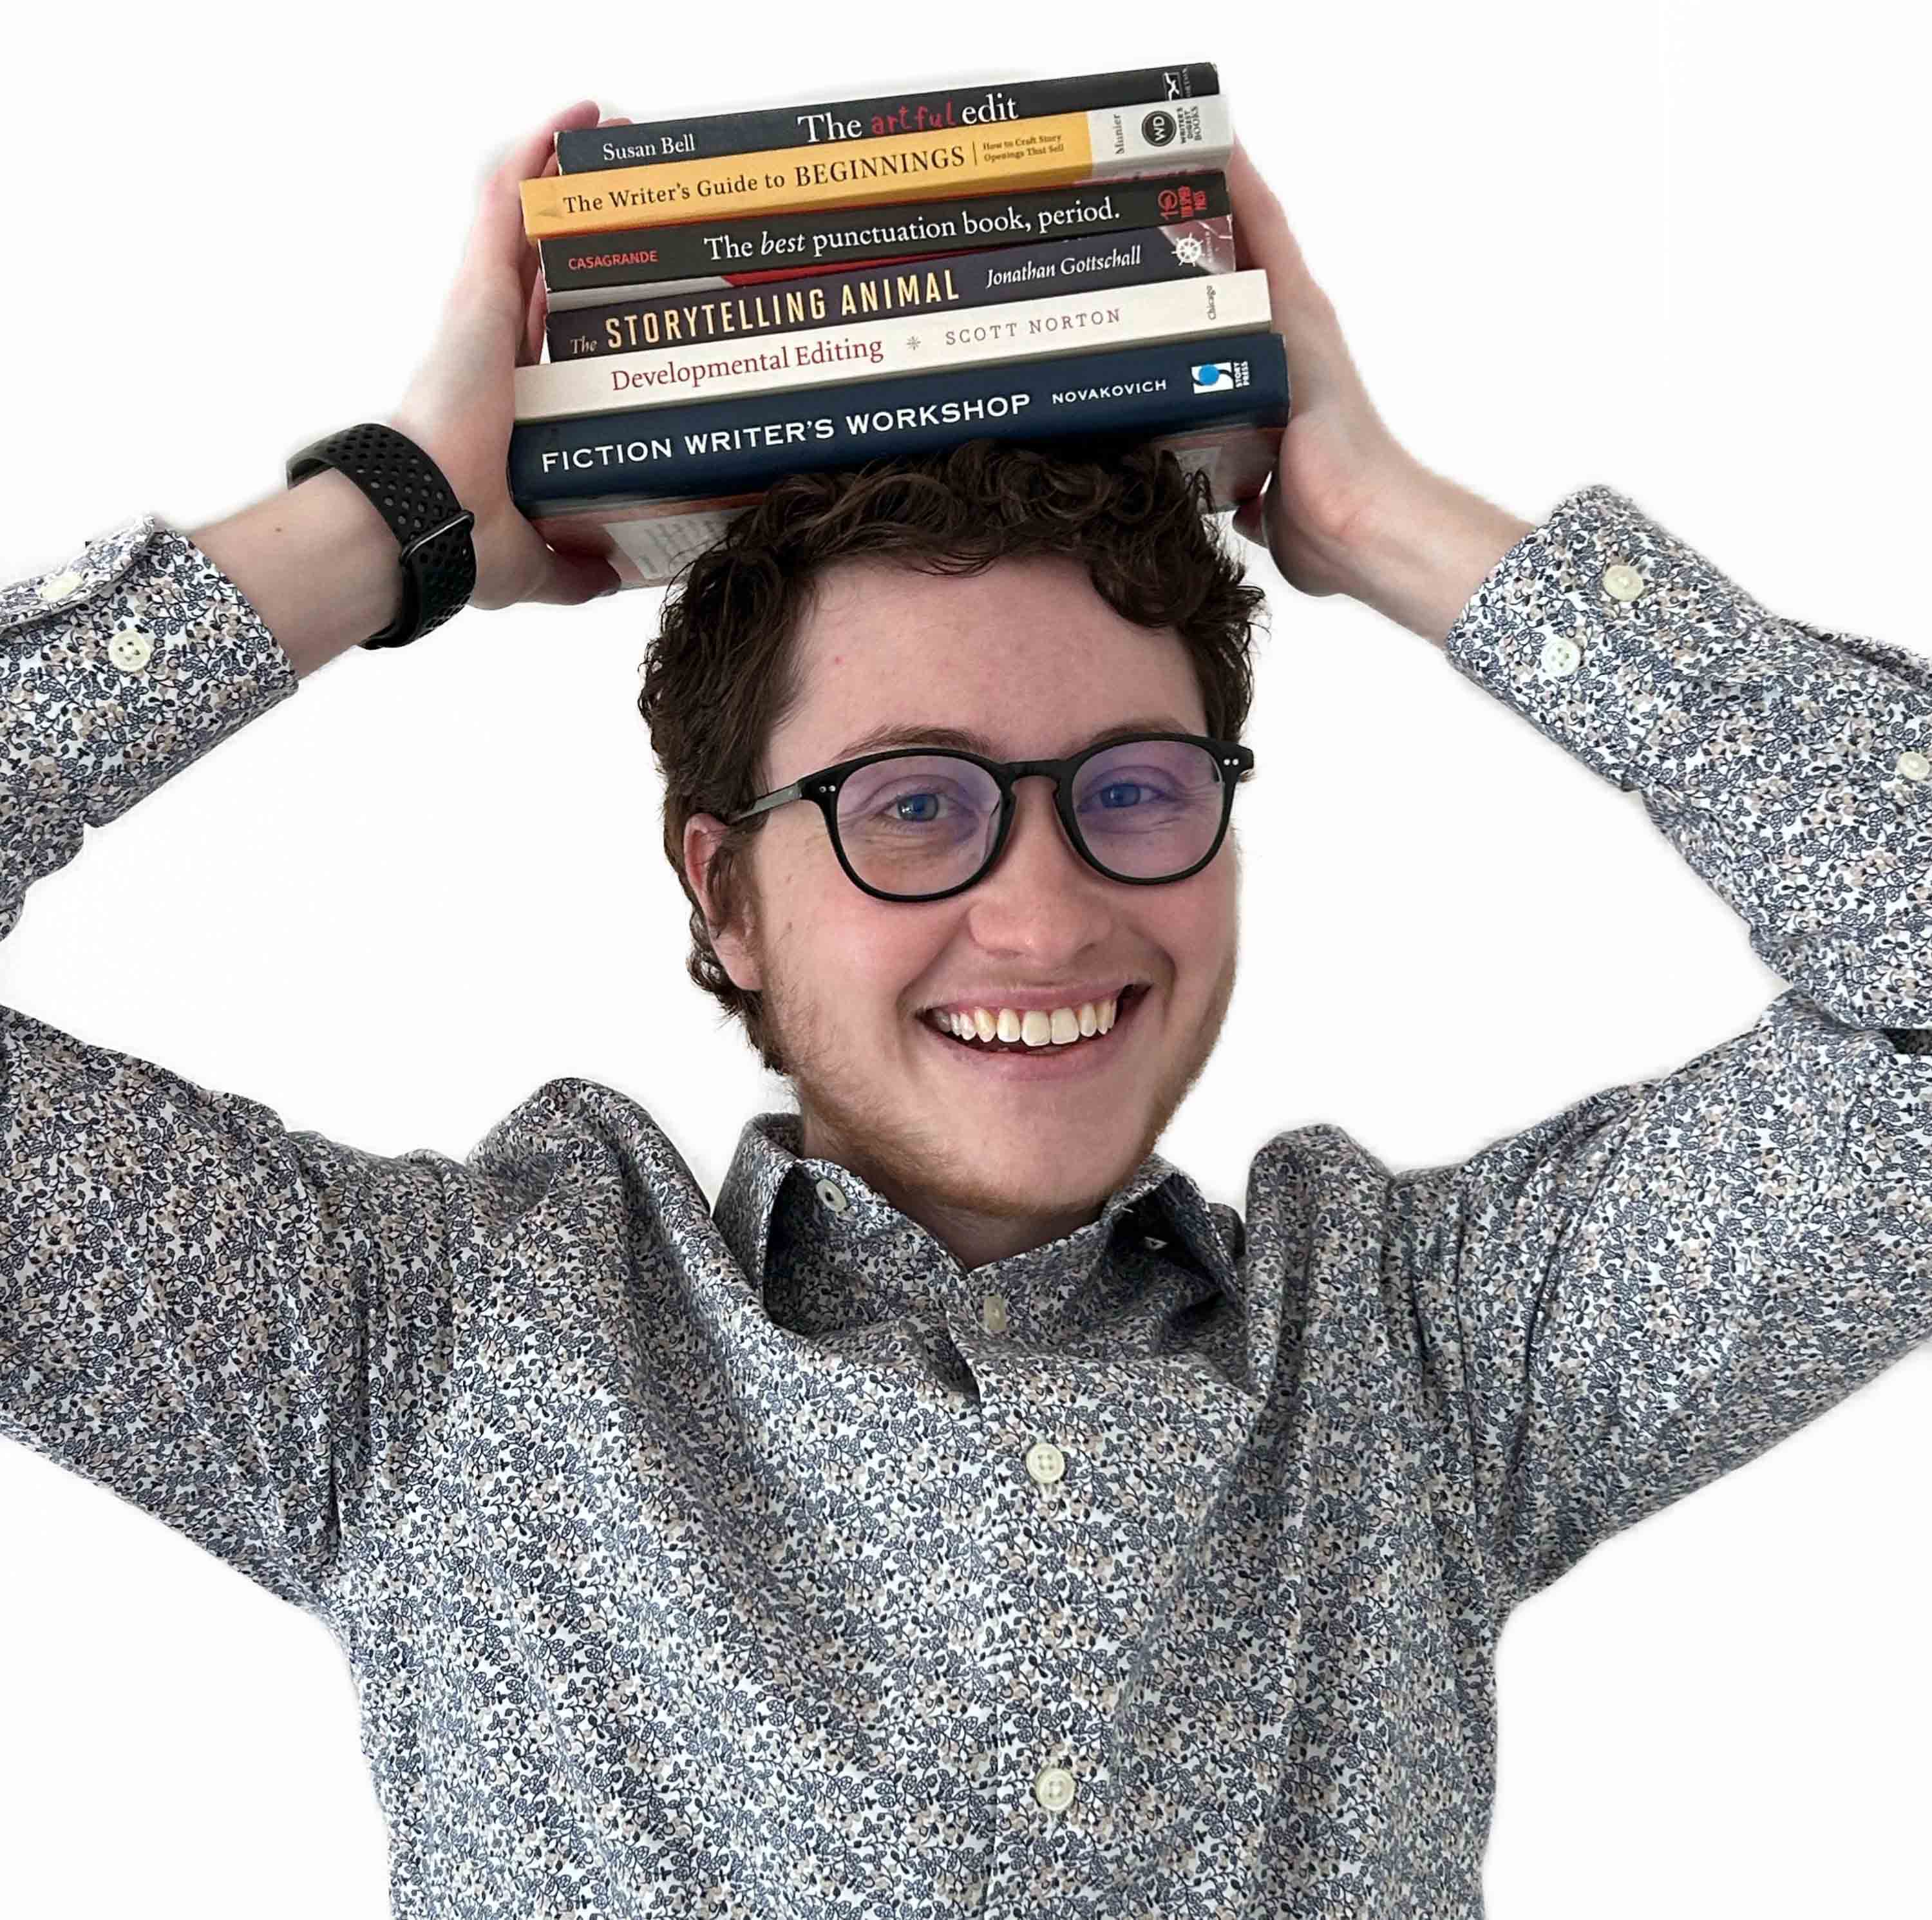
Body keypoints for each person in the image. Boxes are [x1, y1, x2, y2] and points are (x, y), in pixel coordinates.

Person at [2, 95, 1926, 1919]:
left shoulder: (1427, 1365)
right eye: (911, 804)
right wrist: (397, 520)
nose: (1042, 909)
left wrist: (1402, 527)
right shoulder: (425, 1359)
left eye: (1135, 790)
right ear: (724, 892)